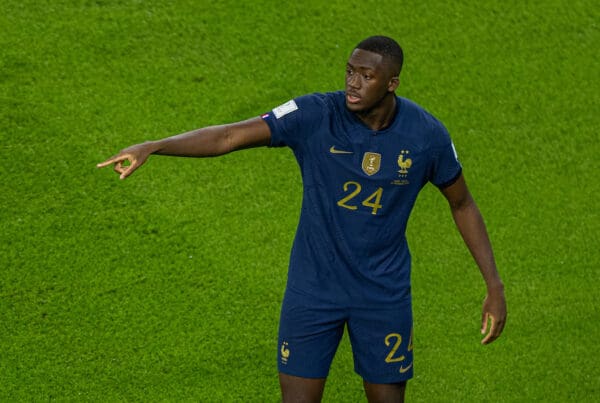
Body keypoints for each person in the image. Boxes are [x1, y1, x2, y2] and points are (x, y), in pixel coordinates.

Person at [98, 36, 506, 402]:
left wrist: (493, 284)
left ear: (392, 83)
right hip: (313, 291)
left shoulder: (426, 136)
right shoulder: (314, 114)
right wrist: (156, 146)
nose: (353, 83)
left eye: (366, 76)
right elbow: (228, 136)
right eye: (350, 71)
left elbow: (462, 204)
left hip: (382, 293)